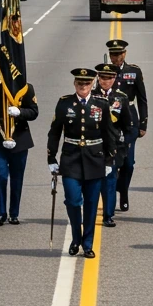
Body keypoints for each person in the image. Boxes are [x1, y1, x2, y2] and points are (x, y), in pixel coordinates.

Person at [47, 67, 117, 258]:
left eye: (87, 83)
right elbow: (55, 132)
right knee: (72, 200)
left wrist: (110, 159)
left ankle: (87, 244)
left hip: (95, 159)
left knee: (92, 203)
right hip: (71, 159)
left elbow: (108, 132)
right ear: (74, 84)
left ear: (92, 84)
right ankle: (76, 238)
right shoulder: (64, 104)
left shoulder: (101, 104)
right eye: (80, 83)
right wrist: (51, 157)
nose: (83, 86)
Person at [0, 72, 39, 226]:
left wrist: (20, 112)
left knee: (16, 178)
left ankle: (14, 213)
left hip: (19, 139)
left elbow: (34, 111)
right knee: (0, 175)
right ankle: (1, 212)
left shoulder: (25, 87)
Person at [105, 38, 147, 211]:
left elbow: (142, 99)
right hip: (110, 120)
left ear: (125, 54)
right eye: (113, 54)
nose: (116, 58)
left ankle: (123, 191)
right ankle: (110, 197)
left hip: (129, 119)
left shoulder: (133, 71)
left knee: (128, 164)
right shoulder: (104, 72)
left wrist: (144, 123)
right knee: (112, 162)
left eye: (119, 54)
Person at [92, 62, 135, 227]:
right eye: (102, 77)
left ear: (114, 78)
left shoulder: (121, 97)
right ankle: (90, 210)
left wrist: (123, 146)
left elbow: (127, 125)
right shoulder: (92, 95)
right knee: (94, 180)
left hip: (114, 145)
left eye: (109, 78)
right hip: (94, 145)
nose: (105, 81)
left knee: (110, 180)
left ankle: (108, 215)